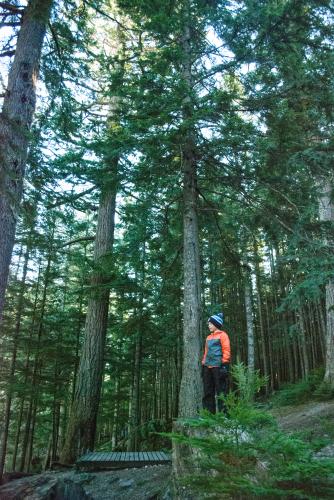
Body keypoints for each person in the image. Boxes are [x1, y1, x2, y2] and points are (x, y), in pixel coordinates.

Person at [202, 312, 231, 413]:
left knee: (221, 391)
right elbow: (206, 352)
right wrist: (203, 363)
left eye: (210, 323)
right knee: (208, 392)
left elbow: (226, 350)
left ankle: (224, 415)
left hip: (219, 367)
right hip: (207, 367)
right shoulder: (208, 337)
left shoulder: (223, 335)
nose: (208, 325)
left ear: (216, 324)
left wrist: (224, 365)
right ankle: (209, 415)